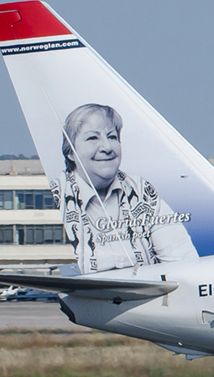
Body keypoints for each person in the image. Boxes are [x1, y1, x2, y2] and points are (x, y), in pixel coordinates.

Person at [55, 103, 198, 272]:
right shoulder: (59, 194)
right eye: (93, 138)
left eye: (112, 137)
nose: (107, 148)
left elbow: (182, 262)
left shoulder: (140, 189)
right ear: (70, 152)